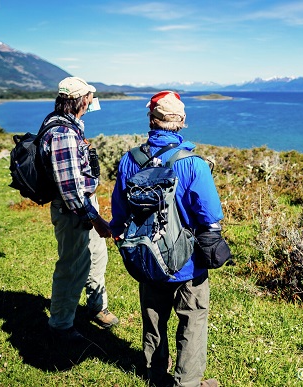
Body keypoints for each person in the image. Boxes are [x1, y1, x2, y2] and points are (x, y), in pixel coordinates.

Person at [110, 91, 223, 387]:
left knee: (153, 317)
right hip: (189, 262)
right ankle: (187, 382)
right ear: (182, 121)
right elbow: (210, 215)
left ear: (152, 119)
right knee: (193, 321)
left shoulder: (129, 161)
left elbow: (119, 213)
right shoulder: (194, 164)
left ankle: (155, 372)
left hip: (147, 259)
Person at [40, 76, 119, 342]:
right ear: (80, 100)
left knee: (97, 258)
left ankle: (97, 307)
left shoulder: (70, 126)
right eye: (89, 97)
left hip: (84, 206)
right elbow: (71, 190)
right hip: (73, 210)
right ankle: (61, 325)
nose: (91, 101)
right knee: (72, 267)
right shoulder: (62, 134)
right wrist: (95, 219)